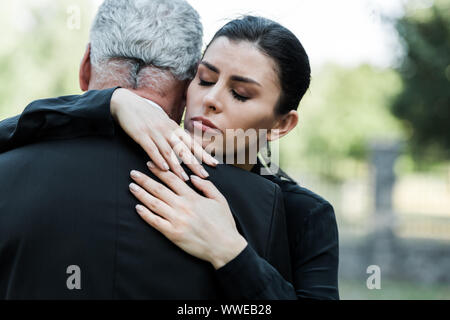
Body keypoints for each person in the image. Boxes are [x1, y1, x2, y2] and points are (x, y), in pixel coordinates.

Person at [0, 14, 339, 299]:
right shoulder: (142, 156)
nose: (211, 100)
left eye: (240, 94)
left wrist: (230, 252)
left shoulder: (304, 213)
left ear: (282, 123)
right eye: (204, 80)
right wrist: (109, 102)